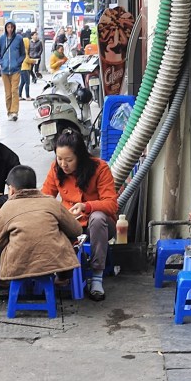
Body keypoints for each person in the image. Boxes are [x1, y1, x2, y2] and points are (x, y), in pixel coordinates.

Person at [41, 129, 118, 301]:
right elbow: (46, 196)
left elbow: (112, 204)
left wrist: (86, 206)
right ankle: (60, 273)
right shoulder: (56, 168)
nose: (63, 164)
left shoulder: (100, 168)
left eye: (69, 160)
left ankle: (97, 277)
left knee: (97, 217)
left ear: (80, 157)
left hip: (99, 225)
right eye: (59, 158)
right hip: (71, 224)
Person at [0, 165, 82, 282]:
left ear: (12, 190)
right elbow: (76, 230)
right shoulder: (51, 202)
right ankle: (63, 278)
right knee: (65, 233)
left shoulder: (6, 208)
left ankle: (3, 282)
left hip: (17, 267)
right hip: (55, 263)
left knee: (7, 241)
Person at [0, 20, 25, 122]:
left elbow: (23, 54)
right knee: (8, 93)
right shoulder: (1, 39)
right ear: (5, 28)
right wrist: (2, 63)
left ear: (14, 28)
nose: (10, 29)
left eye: (12, 27)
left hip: (15, 69)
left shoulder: (19, 39)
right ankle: (9, 112)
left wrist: (18, 62)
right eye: (8, 27)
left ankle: (14, 112)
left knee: (14, 91)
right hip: (4, 70)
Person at [18, 36, 35, 101]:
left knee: (22, 82)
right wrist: (33, 61)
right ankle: (27, 96)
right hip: (25, 68)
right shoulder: (24, 50)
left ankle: (19, 95)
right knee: (27, 82)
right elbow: (26, 59)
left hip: (22, 68)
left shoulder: (22, 49)